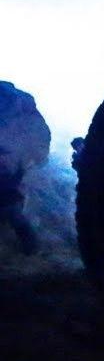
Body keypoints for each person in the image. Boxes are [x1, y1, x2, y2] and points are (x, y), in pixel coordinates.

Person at [0, 81, 51, 255]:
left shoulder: (11, 104)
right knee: (12, 211)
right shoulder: (18, 104)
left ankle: (31, 247)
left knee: (11, 210)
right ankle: (30, 247)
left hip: (8, 176)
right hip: (12, 172)